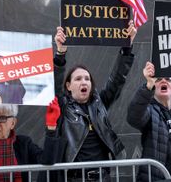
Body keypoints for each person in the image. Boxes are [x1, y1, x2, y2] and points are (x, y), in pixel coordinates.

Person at [53, 21, 136, 182]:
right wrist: (60, 53)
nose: (84, 82)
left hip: (103, 178)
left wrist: (127, 46)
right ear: (68, 86)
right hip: (75, 179)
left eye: (87, 79)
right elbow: (55, 84)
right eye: (78, 79)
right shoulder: (63, 106)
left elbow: (117, 79)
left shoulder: (99, 103)